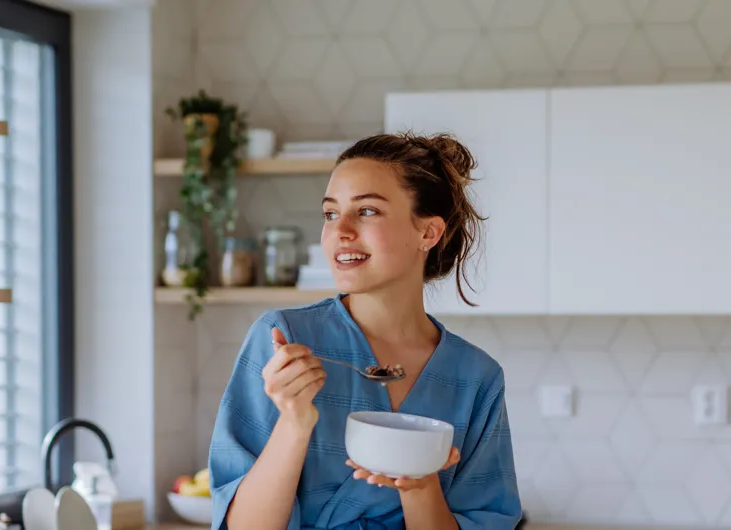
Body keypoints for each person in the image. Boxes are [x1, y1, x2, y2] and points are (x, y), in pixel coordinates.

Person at [207, 132, 523, 529]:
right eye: (329, 214)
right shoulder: (284, 341)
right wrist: (294, 423)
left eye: (368, 211)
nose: (340, 231)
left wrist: (420, 485)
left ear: (427, 233)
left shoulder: (475, 378)